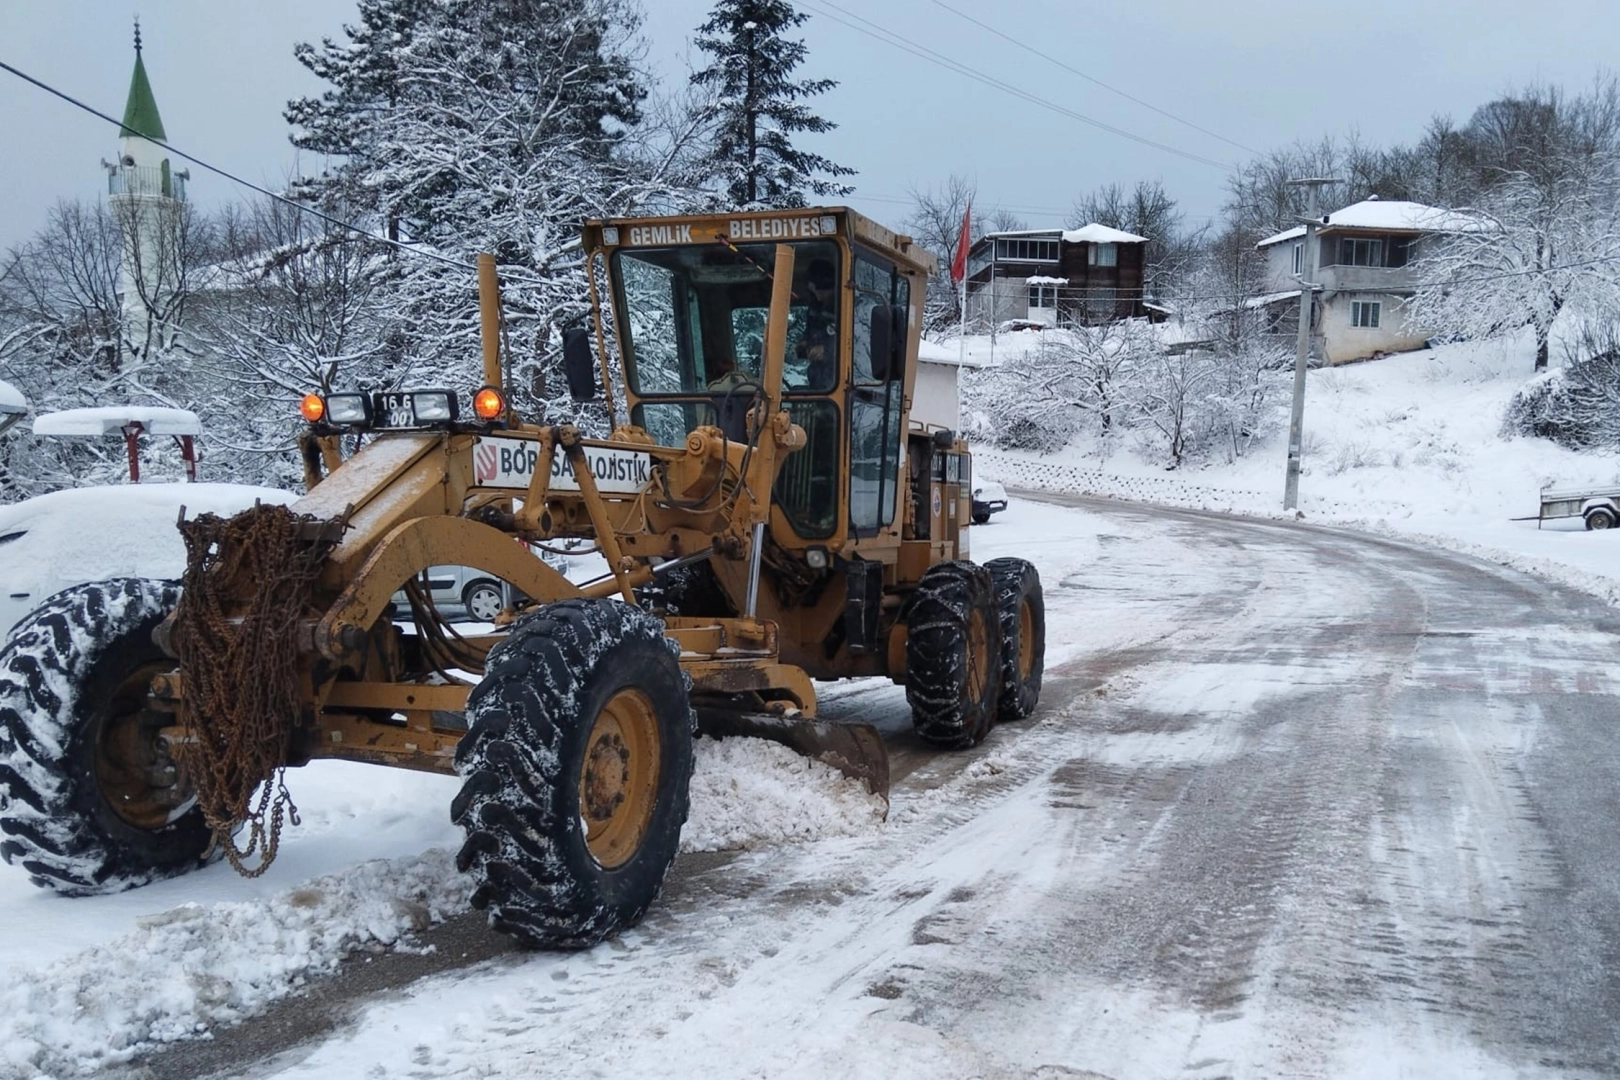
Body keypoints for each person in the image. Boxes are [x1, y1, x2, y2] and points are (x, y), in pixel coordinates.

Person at [796, 258, 838, 389]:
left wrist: (827, 351)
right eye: (813, 292)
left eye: (820, 292)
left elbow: (857, 347)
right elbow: (810, 333)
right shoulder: (814, 310)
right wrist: (804, 344)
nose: (818, 297)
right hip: (818, 383)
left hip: (838, 382)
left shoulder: (850, 309)